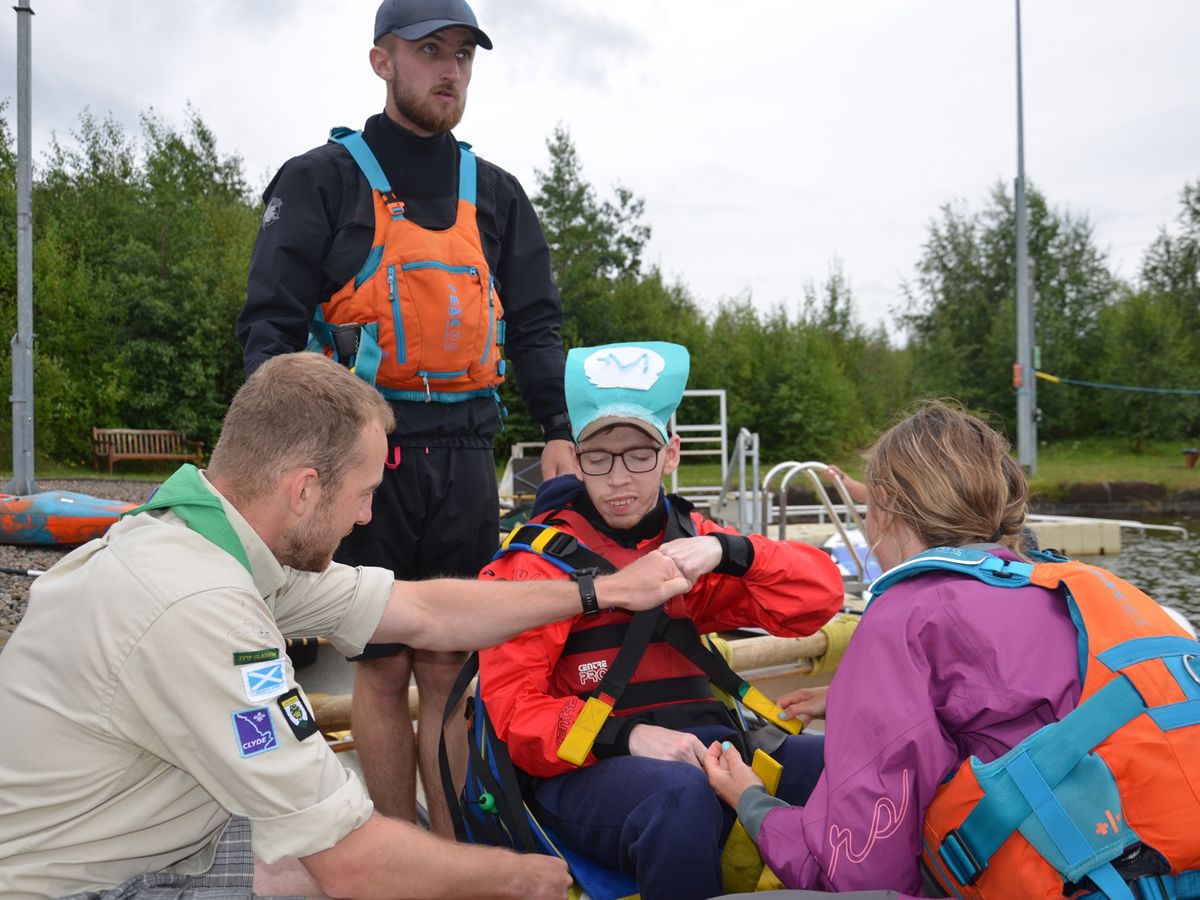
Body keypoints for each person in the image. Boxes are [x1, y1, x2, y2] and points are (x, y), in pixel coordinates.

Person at [0, 352, 693, 900]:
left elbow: (427, 612)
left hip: (138, 835)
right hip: (81, 885)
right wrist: (520, 875)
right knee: (397, 874)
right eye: (363, 494)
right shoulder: (199, 604)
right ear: (304, 489)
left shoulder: (206, 544)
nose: (366, 518)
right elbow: (352, 864)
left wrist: (600, 590)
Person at [235, 0, 575, 835]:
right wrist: (280, 463)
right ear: (382, 61)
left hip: (463, 454)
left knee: (453, 667)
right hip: (366, 465)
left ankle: (456, 850)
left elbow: (535, 327)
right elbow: (270, 328)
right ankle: (395, 851)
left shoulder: (495, 194)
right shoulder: (320, 180)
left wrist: (561, 431)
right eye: (430, 51)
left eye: (463, 54)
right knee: (382, 671)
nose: (450, 69)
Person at [703, 401, 1200, 897]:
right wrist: (859, 697)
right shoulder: (1066, 585)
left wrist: (749, 801)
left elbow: (855, 870)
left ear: (886, 506)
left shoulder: (905, 617)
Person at [475, 341, 846, 900]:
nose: (618, 478)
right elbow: (515, 717)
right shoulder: (534, 564)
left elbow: (818, 598)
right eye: (599, 457)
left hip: (716, 750)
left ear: (670, 454)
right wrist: (630, 736)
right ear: (576, 460)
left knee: (853, 760)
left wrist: (729, 551)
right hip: (589, 771)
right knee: (679, 795)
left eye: (639, 455)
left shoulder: (692, 539)